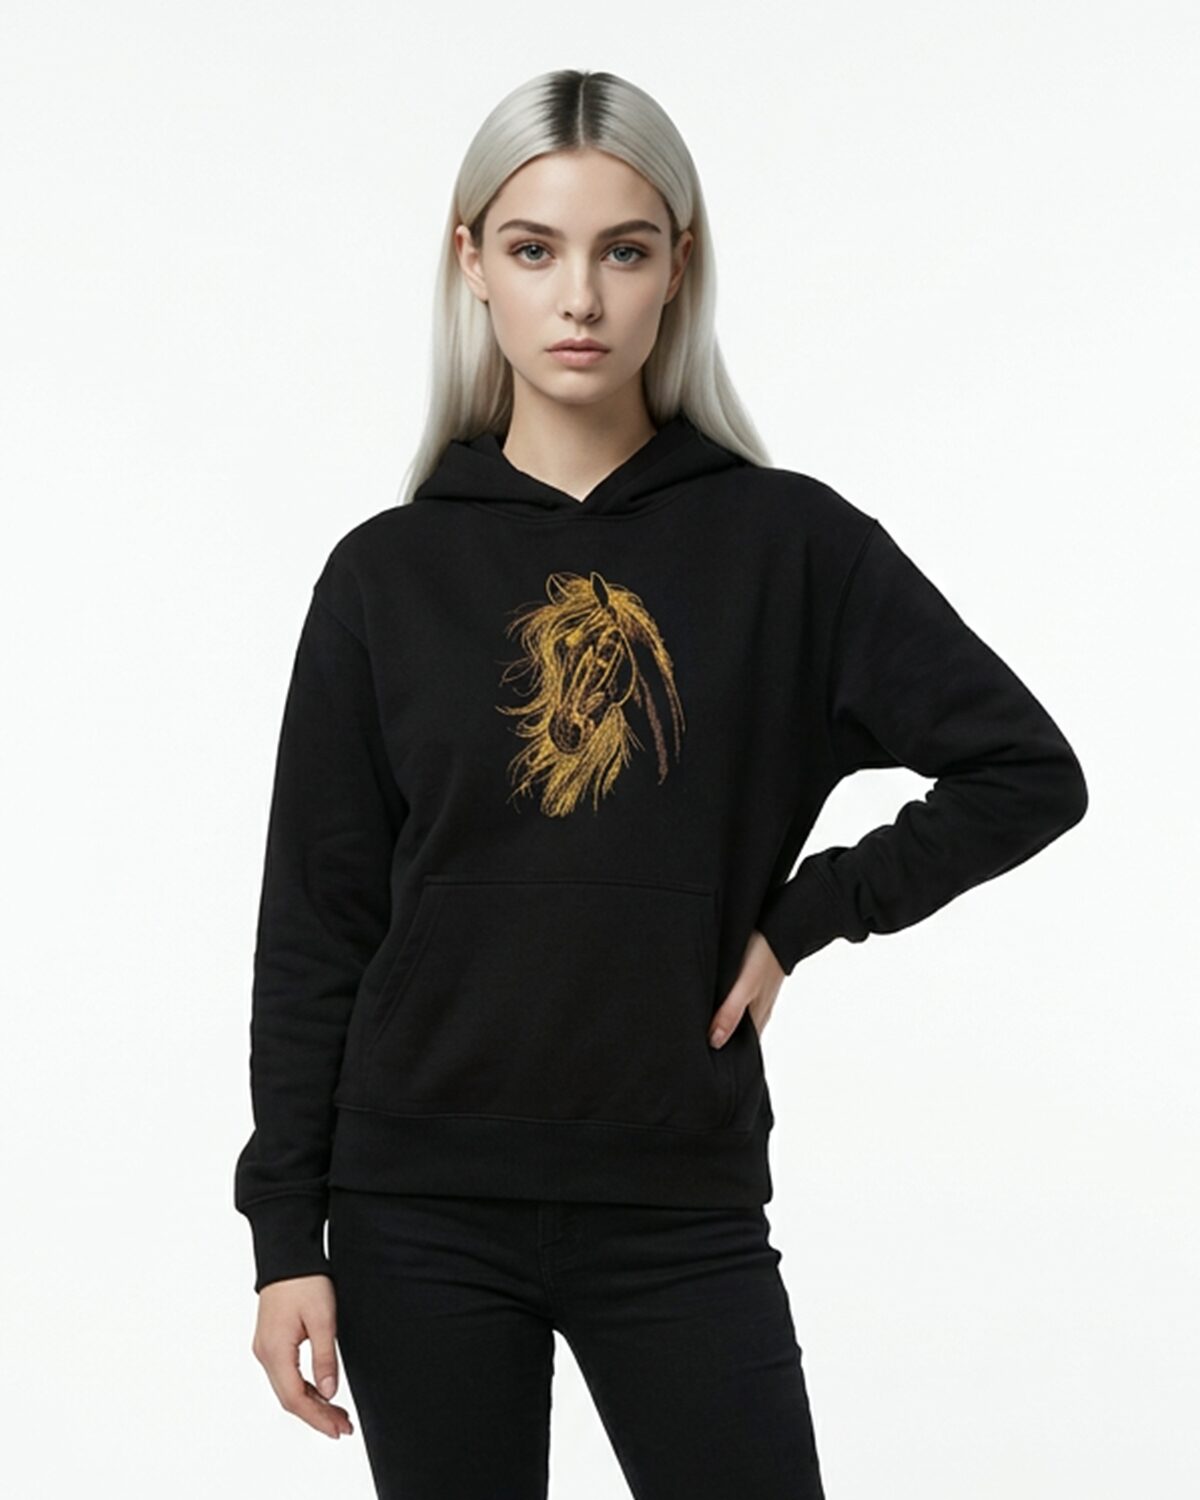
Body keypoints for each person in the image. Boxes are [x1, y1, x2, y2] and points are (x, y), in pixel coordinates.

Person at [233, 67, 1088, 1500]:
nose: (580, 298)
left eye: (623, 251)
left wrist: (802, 920)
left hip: (677, 1202)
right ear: (472, 263)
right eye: (536, 249)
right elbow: (317, 925)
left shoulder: (790, 549)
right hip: (416, 1207)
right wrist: (284, 1241)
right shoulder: (385, 576)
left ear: (677, 267)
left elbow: (1025, 770)